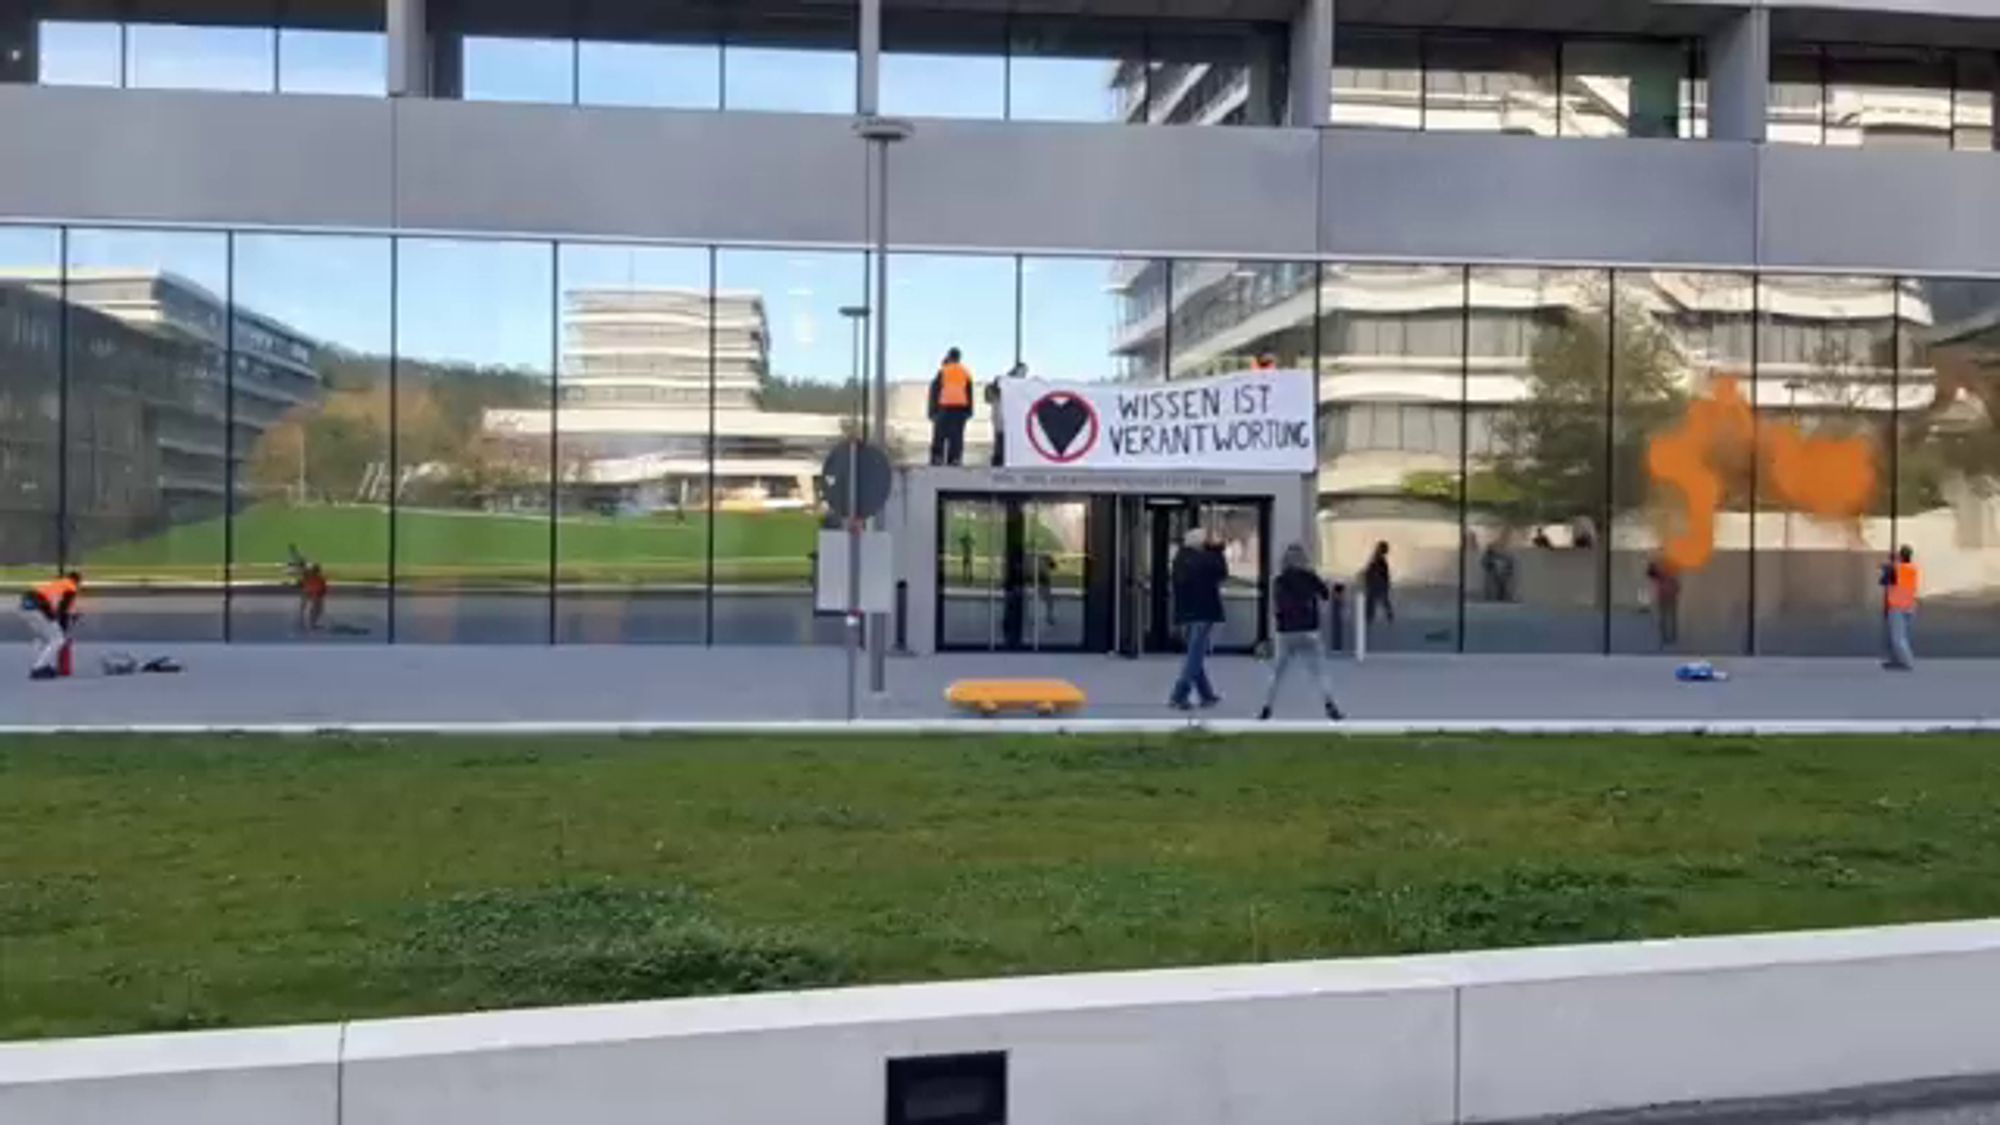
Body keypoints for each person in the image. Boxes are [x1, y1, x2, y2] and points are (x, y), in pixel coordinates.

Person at [1258, 544, 1344, 721]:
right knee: (1318, 672)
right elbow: (1326, 595)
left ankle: (1267, 707)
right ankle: (1330, 705)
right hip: (1309, 630)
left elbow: (1277, 607)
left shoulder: (1279, 580)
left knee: (1277, 673)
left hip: (1286, 632)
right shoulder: (1310, 577)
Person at [1168, 527, 1227, 711]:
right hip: (1203, 612)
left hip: (1186, 612)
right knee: (1195, 656)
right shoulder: (1204, 559)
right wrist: (1217, 550)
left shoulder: (1180, 559)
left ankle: (1206, 695)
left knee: (1195, 654)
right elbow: (1221, 572)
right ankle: (1179, 695)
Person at [18, 571, 81, 681]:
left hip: (25, 607)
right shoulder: (71, 587)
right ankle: (38, 668)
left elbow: (58, 608)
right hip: (38, 608)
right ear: (77, 581)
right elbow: (62, 609)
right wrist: (65, 625)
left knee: (48, 638)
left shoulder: (57, 584)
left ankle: (42, 663)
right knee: (58, 639)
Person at [927, 347, 975, 466]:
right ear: (959, 358)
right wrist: (969, 411)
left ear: (949, 356)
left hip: (944, 407)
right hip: (960, 409)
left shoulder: (943, 371)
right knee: (957, 436)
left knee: (939, 435)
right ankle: (955, 459)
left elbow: (935, 391)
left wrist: (932, 411)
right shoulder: (966, 372)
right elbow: (969, 392)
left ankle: (937, 457)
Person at [1882, 544, 1920, 671]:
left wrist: (1888, 565)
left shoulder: (1897, 569)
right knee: (1901, 636)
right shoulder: (1912, 569)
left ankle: (1907, 662)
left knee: (1897, 638)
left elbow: (1884, 580)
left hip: (1897, 606)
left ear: (1900, 556)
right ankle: (1897, 660)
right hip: (1909, 606)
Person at [986, 362, 1026, 467]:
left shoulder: (1018, 385)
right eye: (1022, 371)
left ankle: (1001, 460)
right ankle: (998, 460)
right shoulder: (1002, 382)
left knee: (1004, 439)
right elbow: (990, 396)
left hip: (1007, 418)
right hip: (1001, 415)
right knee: (1000, 438)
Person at [1646, 558, 1681, 649]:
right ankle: (1666, 636)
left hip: (1669, 596)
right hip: (1665, 596)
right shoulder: (1662, 572)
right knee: (1665, 617)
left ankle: (1670, 636)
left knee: (1669, 617)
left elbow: (1677, 585)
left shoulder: (1669, 573)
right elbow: (1651, 573)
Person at [1362, 540, 1394, 629]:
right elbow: (1380, 573)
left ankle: (1369, 619)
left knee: (1375, 601)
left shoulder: (1378, 559)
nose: (1376, 548)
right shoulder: (1378, 559)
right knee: (1380, 601)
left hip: (1376, 583)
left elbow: (1375, 572)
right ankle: (1370, 618)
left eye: (1378, 547)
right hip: (1377, 583)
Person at [300, 563, 329, 633]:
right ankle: (311, 624)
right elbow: (324, 589)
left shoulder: (310, 577)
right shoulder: (319, 578)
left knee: (314, 609)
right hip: (314, 595)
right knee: (317, 610)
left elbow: (323, 589)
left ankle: (310, 623)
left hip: (312, 594)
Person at [1036, 552, 1057, 627]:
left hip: (1042, 584)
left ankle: (1048, 617)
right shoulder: (1043, 565)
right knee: (1048, 601)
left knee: (1047, 601)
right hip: (1043, 584)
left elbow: (1053, 566)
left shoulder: (1040, 562)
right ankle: (1048, 618)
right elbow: (1053, 567)